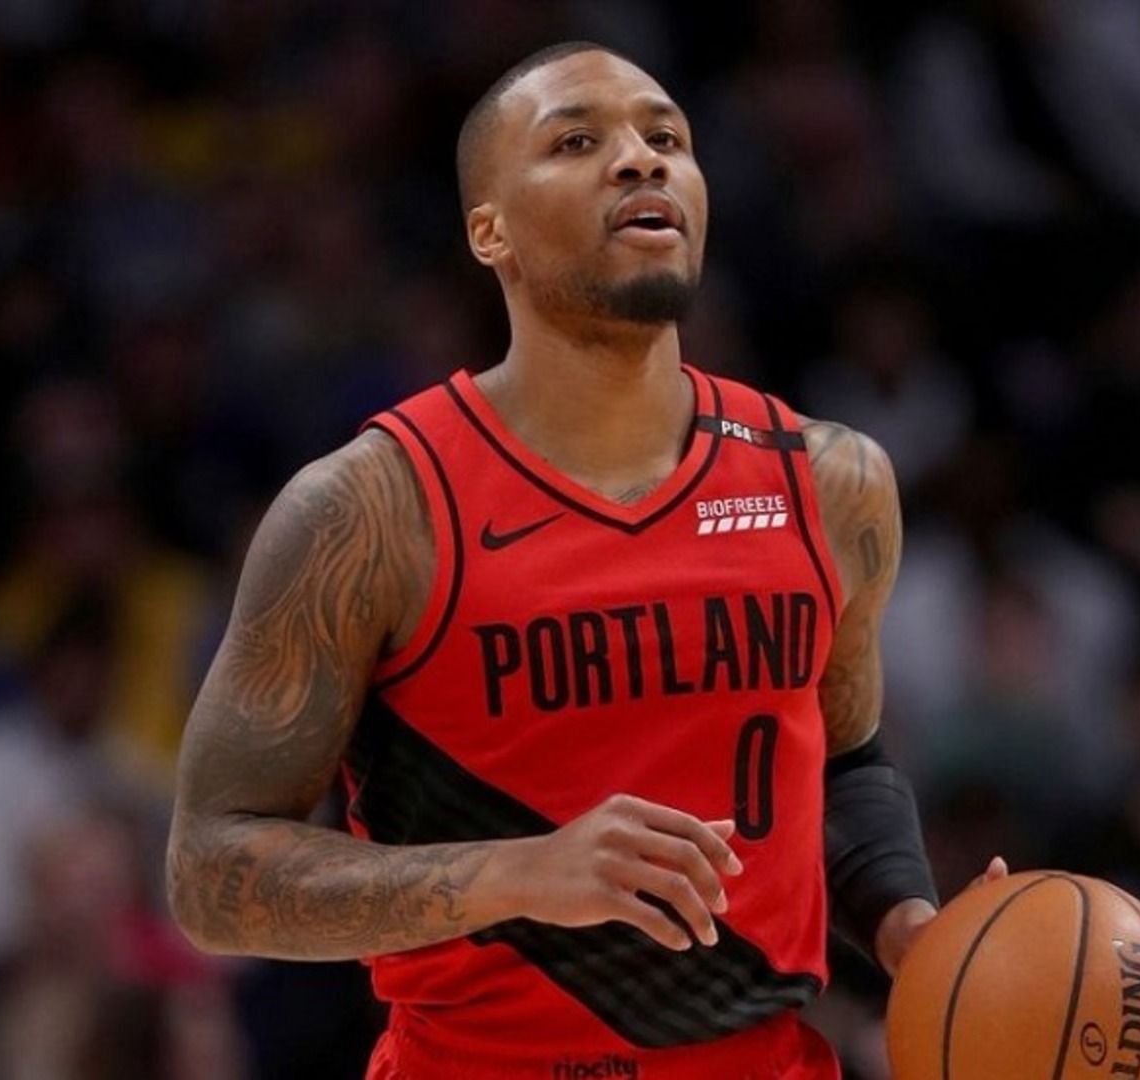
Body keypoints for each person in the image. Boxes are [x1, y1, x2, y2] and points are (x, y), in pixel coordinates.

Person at [165, 42, 1004, 1079]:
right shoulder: (371, 511)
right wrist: (524, 873)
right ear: (490, 231)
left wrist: (906, 925)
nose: (641, 160)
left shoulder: (831, 483)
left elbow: (845, 767)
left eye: (667, 138)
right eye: (576, 141)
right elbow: (211, 872)